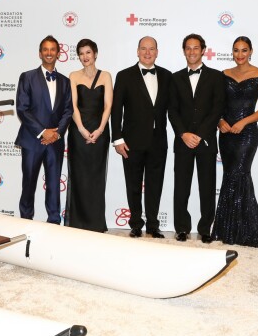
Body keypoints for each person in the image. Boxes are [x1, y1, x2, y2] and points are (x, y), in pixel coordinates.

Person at [212, 36, 258, 250]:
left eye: (244, 50)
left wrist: (243, 122)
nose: (240, 55)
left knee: (240, 175)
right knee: (229, 176)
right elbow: (216, 104)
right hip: (226, 134)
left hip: (247, 134)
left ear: (251, 51)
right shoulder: (223, 75)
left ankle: (247, 230)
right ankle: (228, 229)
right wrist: (220, 121)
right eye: (236, 50)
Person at [110, 36, 172, 238]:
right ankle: (136, 224)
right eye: (143, 49)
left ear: (157, 52)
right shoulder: (124, 75)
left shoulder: (166, 76)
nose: (147, 52)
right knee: (133, 184)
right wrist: (117, 139)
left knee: (155, 185)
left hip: (158, 142)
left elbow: (175, 110)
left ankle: (153, 225)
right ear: (137, 51)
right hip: (131, 142)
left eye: (151, 49)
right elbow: (116, 110)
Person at [169, 34, 226, 243]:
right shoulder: (174, 78)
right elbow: (172, 110)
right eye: (188, 48)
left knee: (207, 187)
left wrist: (200, 135)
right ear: (184, 51)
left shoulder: (216, 77)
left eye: (196, 48)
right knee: (181, 187)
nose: (192, 52)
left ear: (203, 50)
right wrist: (183, 134)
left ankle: (205, 229)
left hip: (206, 142)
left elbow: (217, 108)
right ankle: (182, 228)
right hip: (183, 141)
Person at [15, 35, 73, 224]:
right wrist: (43, 132)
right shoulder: (27, 77)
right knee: (29, 183)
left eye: (53, 49)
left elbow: (68, 110)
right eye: (45, 49)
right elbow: (22, 108)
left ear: (58, 53)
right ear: (40, 53)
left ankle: (54, 221)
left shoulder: (65, 81)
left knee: (54, 184)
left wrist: (56, 133)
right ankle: (25, 220)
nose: (49, 53)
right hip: (32, 140)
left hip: (55, 142)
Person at [65, 39, 113, 232]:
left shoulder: (106, 76)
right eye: (81, 54)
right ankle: (78, 223)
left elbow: (108, 105)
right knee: (79, 177)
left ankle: (95, 223)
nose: (85, 57)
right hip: (78, 132)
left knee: (96, 178)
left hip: (100, 132)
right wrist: (83, 130)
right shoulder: (73, 76)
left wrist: (100, 129)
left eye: (88, 53)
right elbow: (73, 106)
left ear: (95, 54)